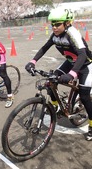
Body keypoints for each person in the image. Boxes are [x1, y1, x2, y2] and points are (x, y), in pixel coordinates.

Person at [25, 8, 92, 141]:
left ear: (67, 23)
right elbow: (45, 47)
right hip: (70, 62)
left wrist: (72, 73)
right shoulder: (56, 35)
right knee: (50, 82)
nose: (54, 27)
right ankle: (55, 106)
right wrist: (33, 61)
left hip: (85, 65)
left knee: (84, 96)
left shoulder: (72, 33)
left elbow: (82, 54)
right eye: (52, 24)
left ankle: (91, 125)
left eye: (57, 24)